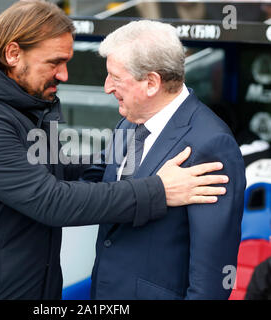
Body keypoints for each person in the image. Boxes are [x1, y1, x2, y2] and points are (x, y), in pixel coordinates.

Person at [0, 1, 229, 300]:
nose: (64, 75)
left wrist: (124, 161)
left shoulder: (24, 102)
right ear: (13, 54)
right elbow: (52, 201)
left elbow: (56, 166)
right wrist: (158, 190)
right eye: (55, 62)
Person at [90, 20, 246, 300]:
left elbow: (211, 273)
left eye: (115, 77)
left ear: (151, 82)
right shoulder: (128, 123)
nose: (106, 88)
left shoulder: (211, 145)